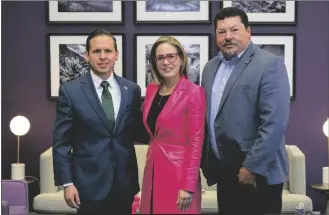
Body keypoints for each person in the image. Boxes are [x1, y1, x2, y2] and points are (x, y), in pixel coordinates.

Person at [201, 7, 290, 215]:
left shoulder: (269, 64)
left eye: (234, 30)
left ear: (249, 31)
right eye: (222, 32)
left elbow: (274, 123)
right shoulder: (209, 68)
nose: (228, 37)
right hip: (225, 173)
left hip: (257, 175)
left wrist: (251, 167)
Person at [52, 29, 141, 215]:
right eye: (96, 51)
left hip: (124, 184)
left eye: (108, 51)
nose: (103, 57)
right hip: (88, 185)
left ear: (116, 55)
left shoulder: (131, 90)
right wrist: (67, 183)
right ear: (86, 55)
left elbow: (136, 130)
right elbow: (61, 142)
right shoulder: (71, 91)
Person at [139, 36, 206, 214]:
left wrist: (188, 186)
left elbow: (196, 142)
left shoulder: (194, 93)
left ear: (181, 58)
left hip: (178, 176)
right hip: (152, 172)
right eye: (160, 58)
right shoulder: (152, 89)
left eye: (171, 56)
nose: (166, 62)